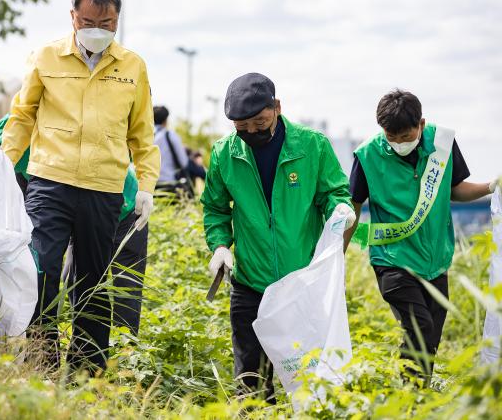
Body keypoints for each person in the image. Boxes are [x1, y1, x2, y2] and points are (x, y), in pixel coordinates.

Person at [2, 0, 160, 372]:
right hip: (49, 181)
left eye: (107, 23)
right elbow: (22, 115)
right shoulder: (46, 57)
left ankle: (87, 368)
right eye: (89, 21)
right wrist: (5, 165)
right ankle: (42, 355)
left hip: (103, 188)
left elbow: (142, 135)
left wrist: (145, 186)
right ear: (73, 16)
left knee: (92, 280)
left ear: (117, 20)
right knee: (42, 268)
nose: (97, 29)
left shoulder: (132, 67)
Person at [200, 72, 355, 402]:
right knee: (250, 381)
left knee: (307, 379)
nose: (252, 132)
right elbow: (214, 208)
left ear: (278, 107)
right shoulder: (225, 154)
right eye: (243, 128)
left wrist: (340, 208)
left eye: (259, 122)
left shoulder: (312, 146)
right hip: (250, 282)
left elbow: (334, 192)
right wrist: (220, 246)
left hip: (300, 284)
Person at [344, 89, 500, 379]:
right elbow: (352, 208)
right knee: (420, 326)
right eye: (392, 137)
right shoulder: (367, 156)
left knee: (430, 338)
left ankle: (416, 394)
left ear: (421, 124)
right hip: (392, 260)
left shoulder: (442, 144)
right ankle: (410, 393)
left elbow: (455, 189)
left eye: (406, 136)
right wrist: (337, 259)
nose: (399, 143)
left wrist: (491, 186)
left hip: (436, 260)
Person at [0, 113, 149, 335]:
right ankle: (54, 342)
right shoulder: (13, 156)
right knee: (69, 276)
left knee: (124, 282)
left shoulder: (53, 147)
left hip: (127, 212)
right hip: (79, 208)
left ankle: (126, 348)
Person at [153, 105, 192, 196]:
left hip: (150, 186)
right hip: (169, 185)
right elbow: (184, 162)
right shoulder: (170, 135)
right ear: (166, 120)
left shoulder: (148, 137)